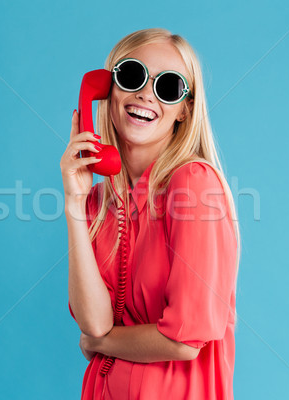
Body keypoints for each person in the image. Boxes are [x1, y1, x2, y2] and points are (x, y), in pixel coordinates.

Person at [60, 27, 241, 400]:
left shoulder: (193, 184)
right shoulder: (100, 202)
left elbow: (184, 341)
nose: (145, 93)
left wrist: (104, 342)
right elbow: (93, 321)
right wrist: (75, 206)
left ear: (184, 109)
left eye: (168, 86)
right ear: (106, 90)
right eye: (132, 75)